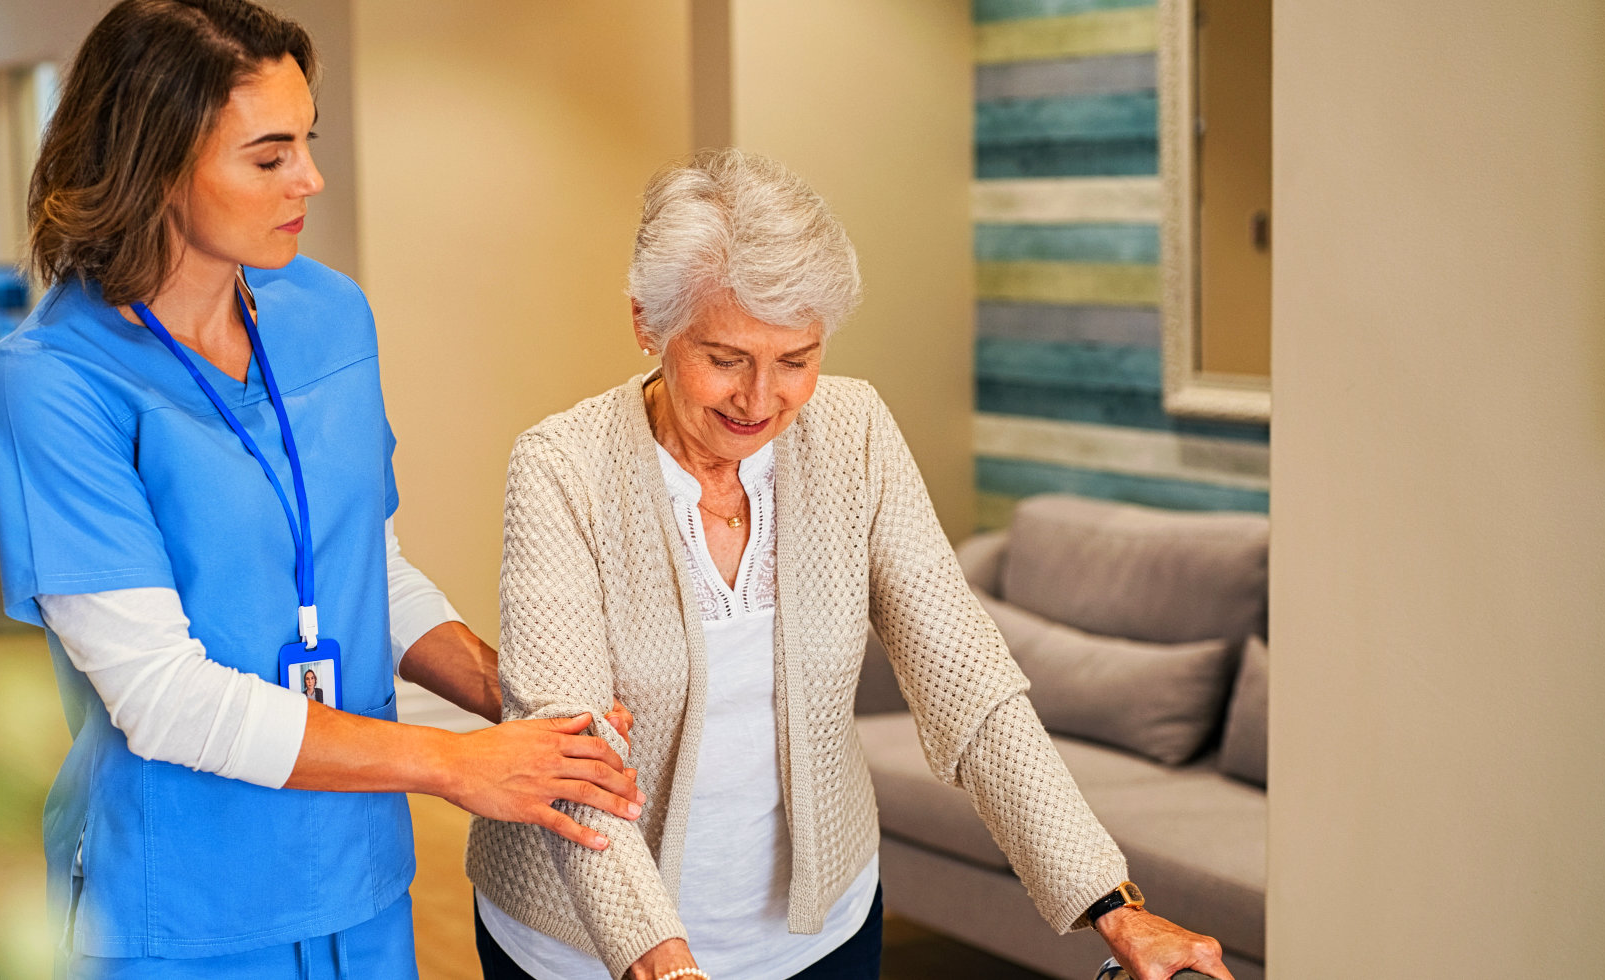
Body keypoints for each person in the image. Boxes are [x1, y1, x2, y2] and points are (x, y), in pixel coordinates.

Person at [0, 2, 641, 977]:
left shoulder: (328, 313)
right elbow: (160, 693)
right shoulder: (51, 382)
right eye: (270, 155)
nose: (311, 180)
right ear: (156, 164)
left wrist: (514, 697)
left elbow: (366, 562)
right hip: (183, 899)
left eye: (307, 142)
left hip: (357, 872)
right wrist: (456, 763)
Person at [464, 149, 1236, 980]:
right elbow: (570, 758)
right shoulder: (562, 468)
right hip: (585, 943)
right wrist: (663, 960)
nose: (761, 402)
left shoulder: (854, 433)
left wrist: (1114, 909)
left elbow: (969, 686)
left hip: (816, 934)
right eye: (726, 358)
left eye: (796, 359)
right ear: (649, 324)